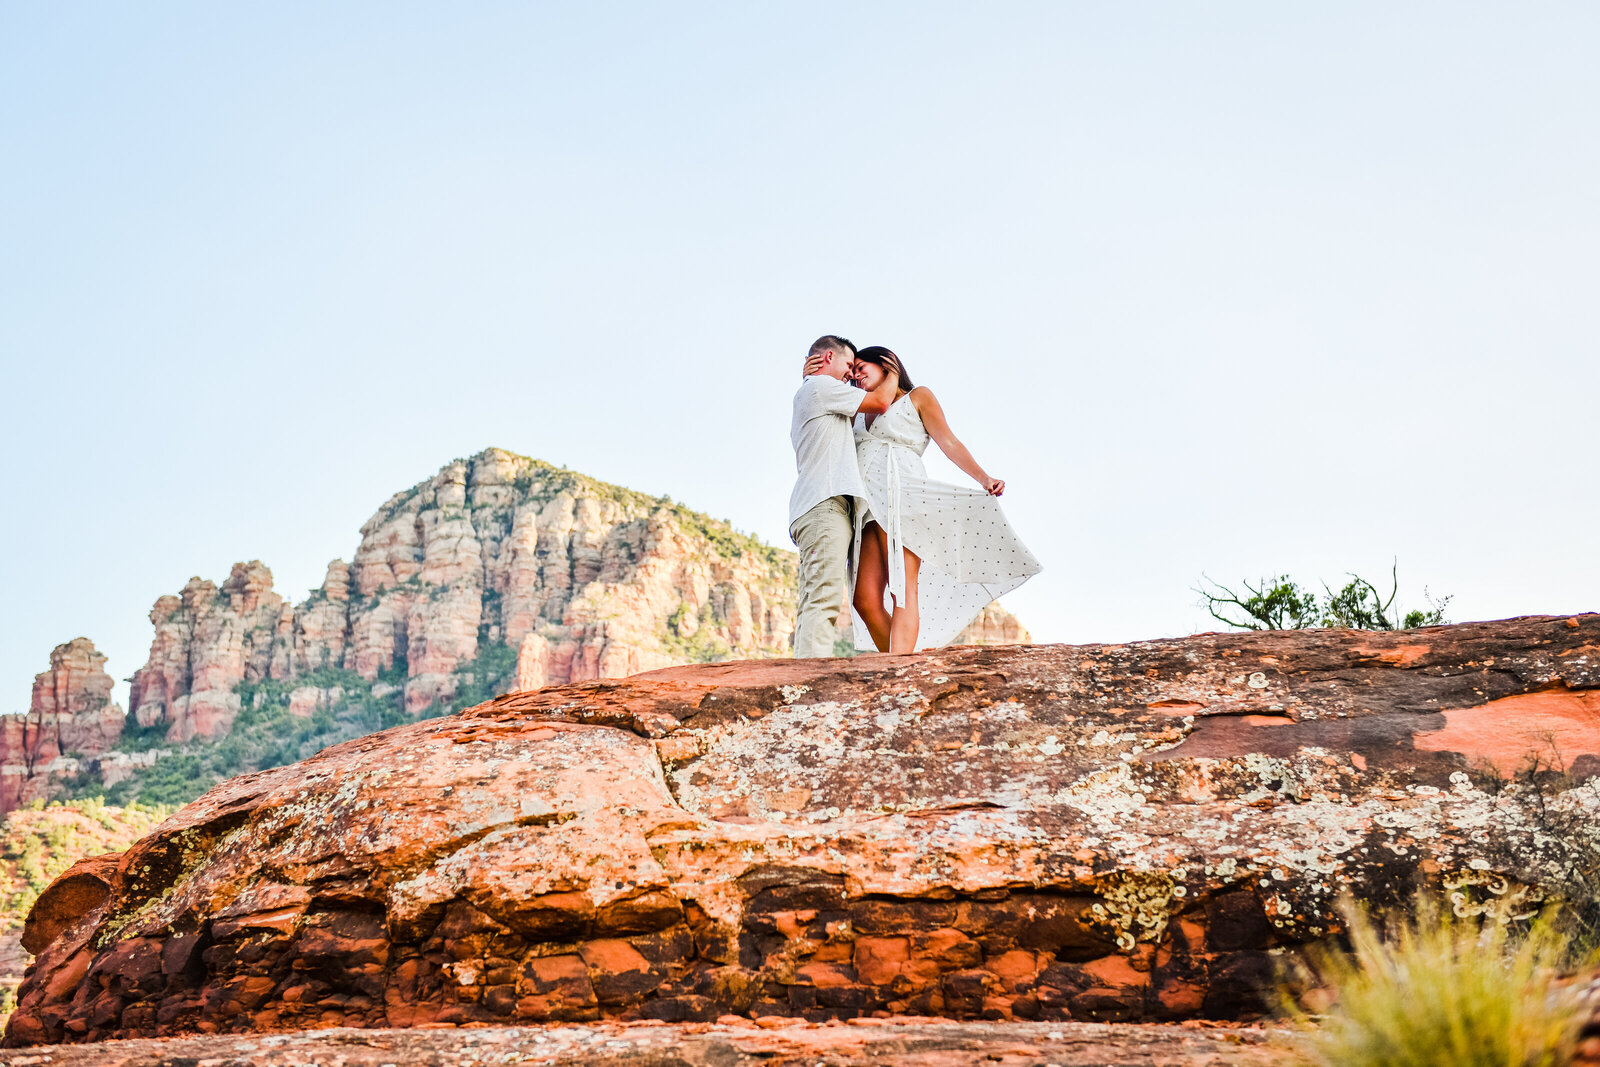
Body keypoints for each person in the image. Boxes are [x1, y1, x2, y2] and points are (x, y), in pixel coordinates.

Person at [845, 346, 1041, 653]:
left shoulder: (917, 397)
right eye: (852, 371)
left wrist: (984, 477)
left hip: (903, 491)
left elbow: (948, 441)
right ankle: (899, 665)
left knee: (903, 589)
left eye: (861, 367)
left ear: (885, 363)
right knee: (864, 599)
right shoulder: (858, 408)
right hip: (867, 504)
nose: (855, 375)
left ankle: (899, 670)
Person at [788, 335, 899, 658]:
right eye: (848, 365)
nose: (852, 374)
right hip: (823, 505)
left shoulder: (817, 393)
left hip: (822, 505)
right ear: (826, 359)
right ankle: (810, 678)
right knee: (823, 596)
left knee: (815, 595)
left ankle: (805, 670)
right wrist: (892, 370)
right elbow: (880, 403)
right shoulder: (819, 389)